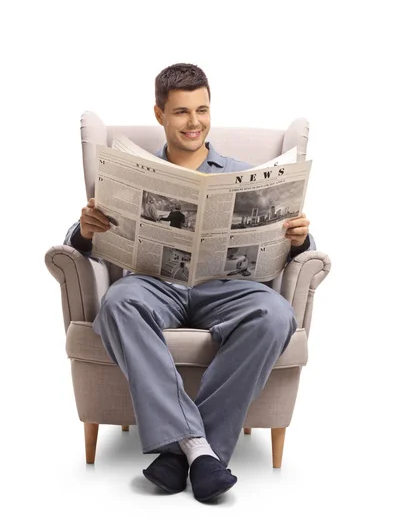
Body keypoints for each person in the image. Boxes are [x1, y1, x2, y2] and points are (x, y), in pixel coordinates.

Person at [64, 63, 314, 503]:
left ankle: (181, 452)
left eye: (202, 110)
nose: (194, 122)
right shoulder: (132, 172)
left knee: (277, 315)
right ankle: (202, 452)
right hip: (155, 285)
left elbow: (295, 244)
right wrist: (85, 229)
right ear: (159, 114)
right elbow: (81, 242)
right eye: (181, 112)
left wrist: (299, 238)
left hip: (227, 288)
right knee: (118, 303)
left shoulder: (245, 172)